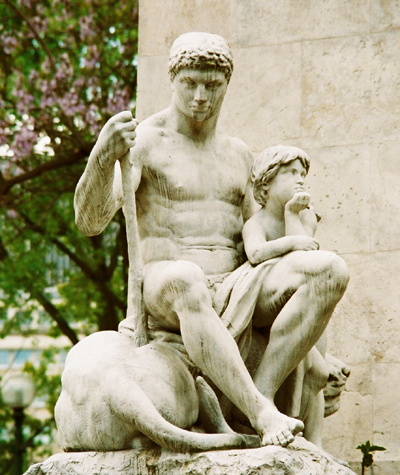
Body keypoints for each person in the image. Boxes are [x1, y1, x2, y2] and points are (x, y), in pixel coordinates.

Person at [74, 32, 348, 447]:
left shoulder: (238, 154)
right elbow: (90, 221)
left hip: (236, 282)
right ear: (173, 80)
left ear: (226, 84)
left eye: (211, 85)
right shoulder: (146, 142)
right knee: (188, 277)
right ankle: (259, 413)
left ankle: (262, 393)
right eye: (190, 83)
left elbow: (255, 239)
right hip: (168, 282)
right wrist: (101, 156)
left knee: (329, 271)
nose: (200, 96)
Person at [239, 145, 331, 446]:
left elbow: (304, 255)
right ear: (266, 182)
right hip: (265, 296)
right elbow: (255, 254)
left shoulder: (305, 219)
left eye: (302, 174)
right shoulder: (257, 222)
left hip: (299, 302)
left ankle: (312, 440)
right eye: (291, 173)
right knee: (305, 365)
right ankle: (275, 411)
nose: (300, 179)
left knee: (317, 370)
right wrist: (289, 241)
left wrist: (293, 213)